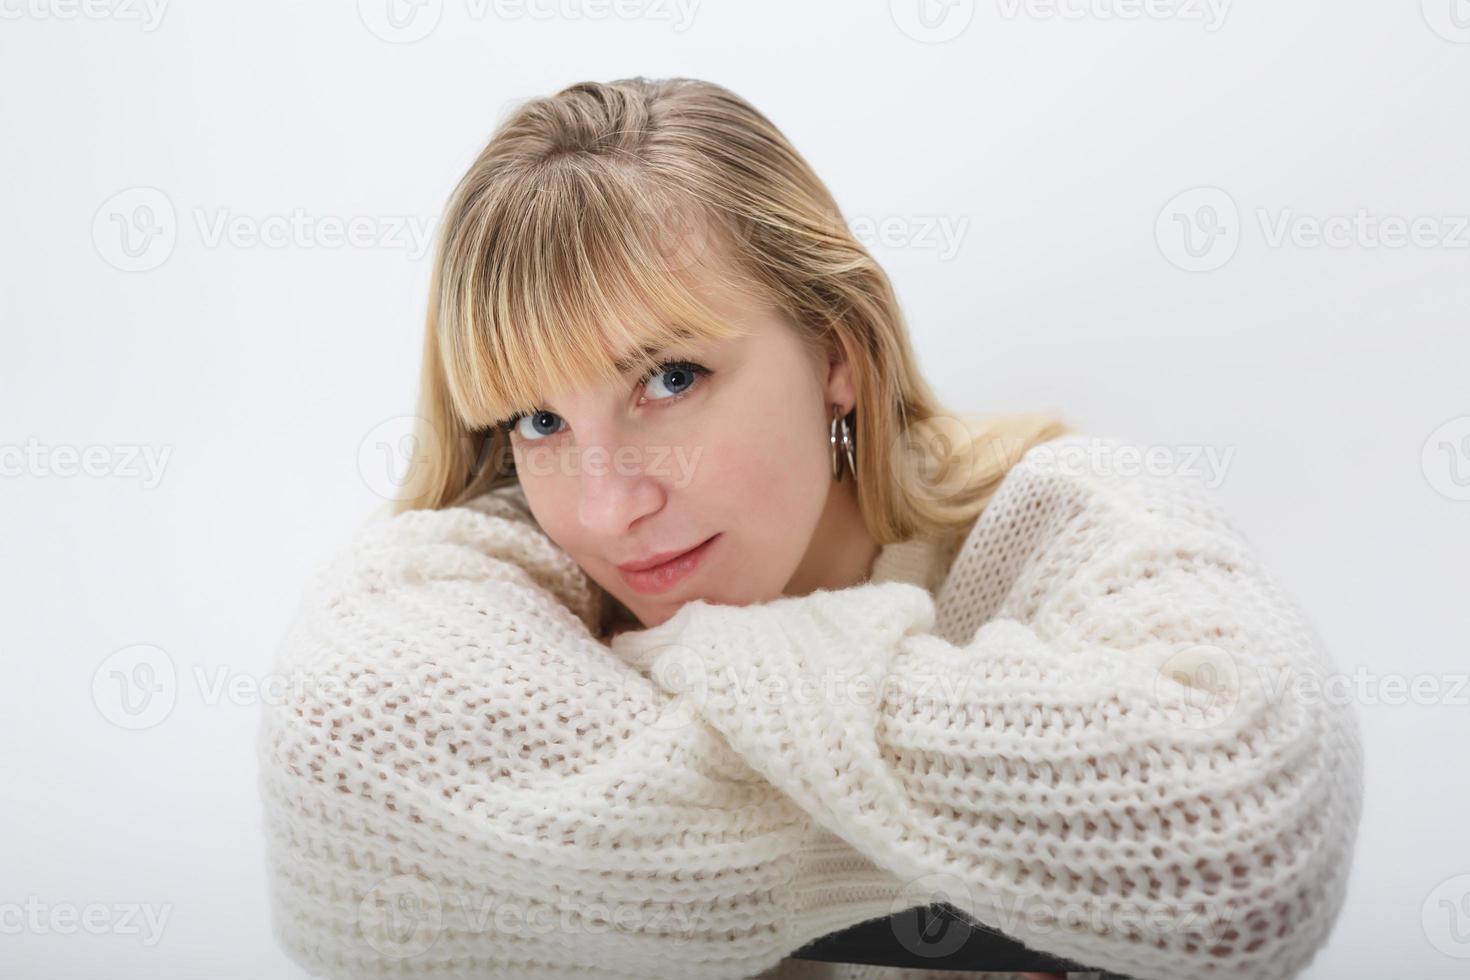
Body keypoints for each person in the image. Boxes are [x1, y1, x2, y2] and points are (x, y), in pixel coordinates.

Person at [256, 77, 1364, 980]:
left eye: (670, 376)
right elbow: (334, 787)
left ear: (836, 348)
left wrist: (638, 775)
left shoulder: (1058, 515)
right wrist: (1030, 836)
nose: (605, 505)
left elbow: (1244, 842)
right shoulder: (513, 569)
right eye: (539, 418)